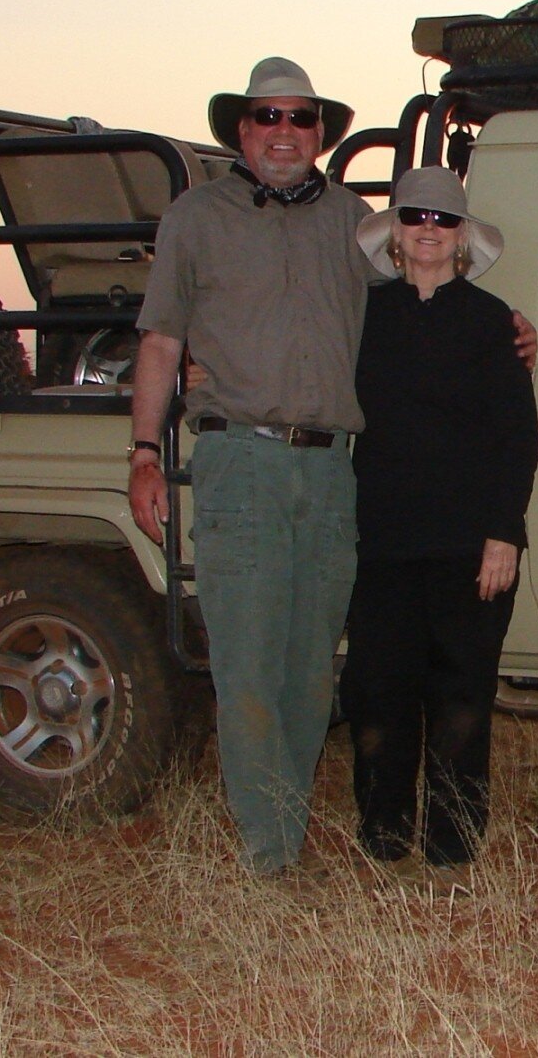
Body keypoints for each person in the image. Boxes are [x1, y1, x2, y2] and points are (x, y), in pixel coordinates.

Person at [127, 55, 370, 877]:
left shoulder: (355, 221)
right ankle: (268, 854)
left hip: (332, 473)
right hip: (240, 464)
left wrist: (507, 328)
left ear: (320, 134)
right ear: (241, 129)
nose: (283, 133)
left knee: (310, 674)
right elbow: (161, 339)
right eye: (267, 117)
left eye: (300, 118)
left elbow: (422, 291)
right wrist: (144, 455)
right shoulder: (196, 218)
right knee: (249, 670)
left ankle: (288, 829)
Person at [342, 167, 538, 871]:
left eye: (444, 219)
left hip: (469, 546)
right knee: (377, 697)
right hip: (378, 543)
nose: (429, 228)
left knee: (460, 701)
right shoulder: (359, 316)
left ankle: (452, 848)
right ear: (394, 232)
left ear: (461, 239)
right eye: (416, 216)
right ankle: (382, 840)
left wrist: (504, 532)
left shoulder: (495, 324)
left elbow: (519, 438)